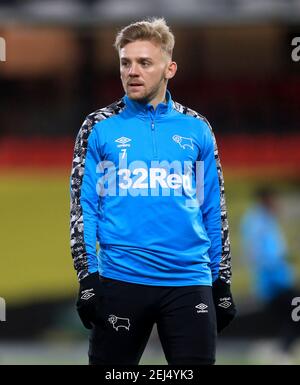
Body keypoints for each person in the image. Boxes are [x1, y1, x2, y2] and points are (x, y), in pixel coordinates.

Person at [70, 17, 236, 365]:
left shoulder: (197, 128)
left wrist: (221, 279)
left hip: (189, 281)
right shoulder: (98, 127)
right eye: (125, 62)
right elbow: (84, 207)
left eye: (144, 62)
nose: (133, 71)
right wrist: (88, 276)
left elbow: (212, 207)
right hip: (121, 280)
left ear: (169, 68)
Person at [240, 186, 299, 358]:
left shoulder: (265, 220)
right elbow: (256, 253)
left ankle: (279, 351)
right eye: (274, 199)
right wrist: (278, 260)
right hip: (274, 282)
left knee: (288, 318)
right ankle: (281, 352)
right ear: (265, 199)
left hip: (278, 280)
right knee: (294, 315)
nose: (277, 203)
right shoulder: (256, 221)